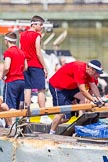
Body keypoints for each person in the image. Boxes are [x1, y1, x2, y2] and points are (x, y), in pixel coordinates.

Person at [49, 59, 104, 134]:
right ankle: (51, 133)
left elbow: (93, 86)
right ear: (91, 69)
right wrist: (94, 100)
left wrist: (100, 99)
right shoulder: (79, 69)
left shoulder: (90, 73)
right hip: (58, 86)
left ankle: (80, 125)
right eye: (97, 73)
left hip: (70, 87)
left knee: (67, 118)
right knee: (62, 112)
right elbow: (82, 90)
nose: (98, 75)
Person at [20, 15, 52, 124]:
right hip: (36, 65)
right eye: (41, 25)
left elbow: (21, 51)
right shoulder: (36, 36)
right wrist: (45, 67)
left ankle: (26, 116)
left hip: (25, 65)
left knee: (27, 90)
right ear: (34, 24)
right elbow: (38, 53)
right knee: (41, 89)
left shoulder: (22, 35)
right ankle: (43, 115)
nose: (42, 27)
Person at [1, 32, 27, 127]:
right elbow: (25, 67)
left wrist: (3, 75)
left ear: (7, 41)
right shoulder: (21, 52)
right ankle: (18, 125)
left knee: (8, 105)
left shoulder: (8, 52)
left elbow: (7, 67)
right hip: (21, 81)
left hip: (11, 81)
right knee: (18, 106)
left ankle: (11, 126)